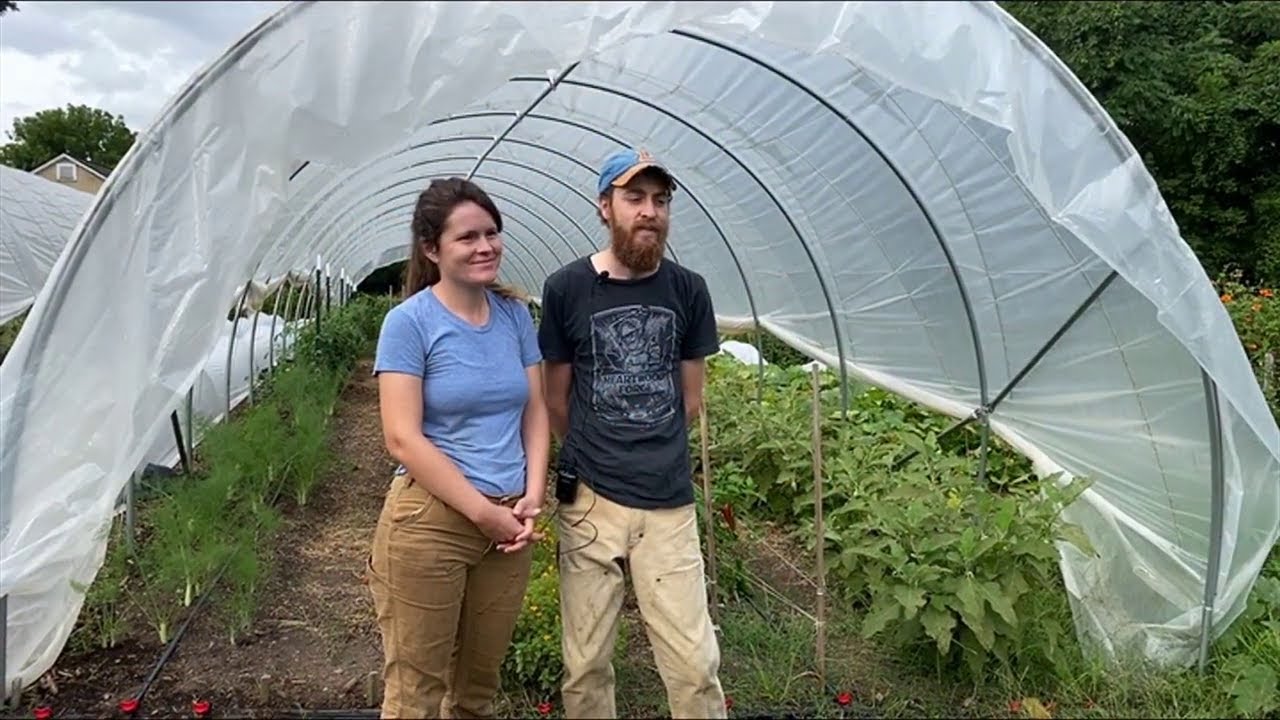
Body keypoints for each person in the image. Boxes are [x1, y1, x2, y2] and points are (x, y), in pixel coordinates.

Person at [537, 148, 727, 719]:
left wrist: (647, 447)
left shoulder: (688, 290)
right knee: (586, 665)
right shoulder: (567, 288)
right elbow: (556, 399)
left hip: (667, 501)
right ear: (605, 207)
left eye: (661, 200)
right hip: (591, 500)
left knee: (694, 667)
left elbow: (690, 399)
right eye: (635, 198)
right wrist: (600, 451)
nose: (650, 212)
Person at [365, 177, 549, 719]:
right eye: (468, 237)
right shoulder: (410, 323)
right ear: (431, 249)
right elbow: (402, 437)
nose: (485, 246)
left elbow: (535, 409)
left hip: (509, 523)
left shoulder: (514, 317)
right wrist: (481, 512)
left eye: (492, 232)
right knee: (415, 694)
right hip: (433, 523)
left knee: (476, 691)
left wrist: (532, 492)